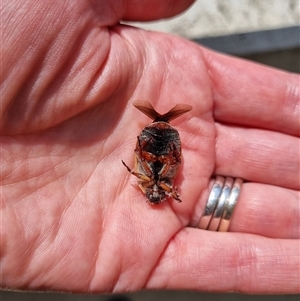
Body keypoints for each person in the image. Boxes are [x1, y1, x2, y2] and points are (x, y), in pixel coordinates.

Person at [1, 0, 299, 294]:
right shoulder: (166, 185)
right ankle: (160, 126)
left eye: (154, 196)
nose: (156, 194)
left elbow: (139, 168)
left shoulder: (144, 182)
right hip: (165, 145)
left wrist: (147, 161)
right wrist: (167, 175)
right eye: (159, 195)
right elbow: (172, 167)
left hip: (151, 145)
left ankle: (158, 127)